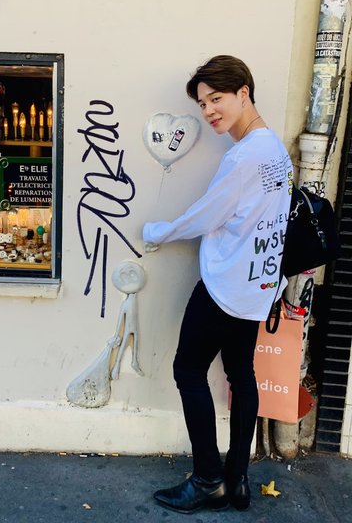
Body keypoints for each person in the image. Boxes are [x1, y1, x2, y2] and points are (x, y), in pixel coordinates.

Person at [143, 55, 293, 514]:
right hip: (258, 288)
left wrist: (159, 232)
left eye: (216, 99)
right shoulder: (276, 151)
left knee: (188, 372)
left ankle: (209, 479)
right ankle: (237, 479)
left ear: (244, 92)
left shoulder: (243, 157)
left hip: (225, 287)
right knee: (241, 374)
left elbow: (208, 214)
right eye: (203, 104)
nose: (209, 111)